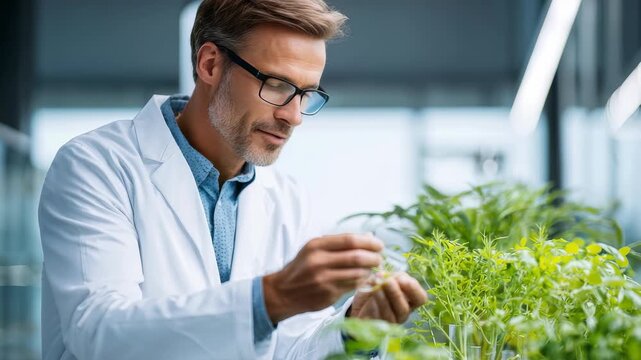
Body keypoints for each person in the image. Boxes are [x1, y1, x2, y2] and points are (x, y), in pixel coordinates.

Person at [38, 0, 427, 359]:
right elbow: (96, 332)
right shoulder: (97, 165)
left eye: (307, 94)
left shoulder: (286, 198)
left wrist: (354, 329)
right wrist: (271, 298)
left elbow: (291, 348)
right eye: (277, 85)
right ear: (210, 64)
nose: (293, 116)